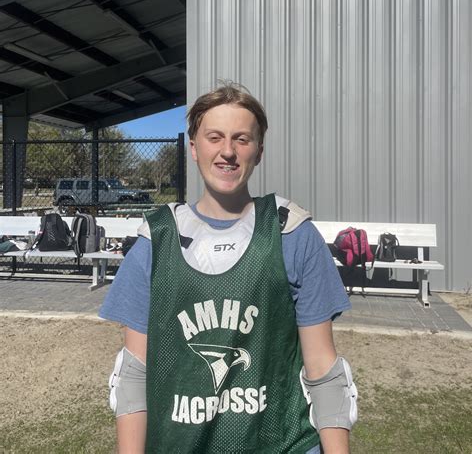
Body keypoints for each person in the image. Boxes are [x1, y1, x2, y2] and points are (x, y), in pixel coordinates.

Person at [100, 83, 357, 453]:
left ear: (259, 151)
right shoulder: (155, 242)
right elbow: (133, 376)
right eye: (215, 137)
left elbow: (324, 369)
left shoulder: (292, 234)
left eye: (242, 139)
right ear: (194, 147)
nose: (227, 152)